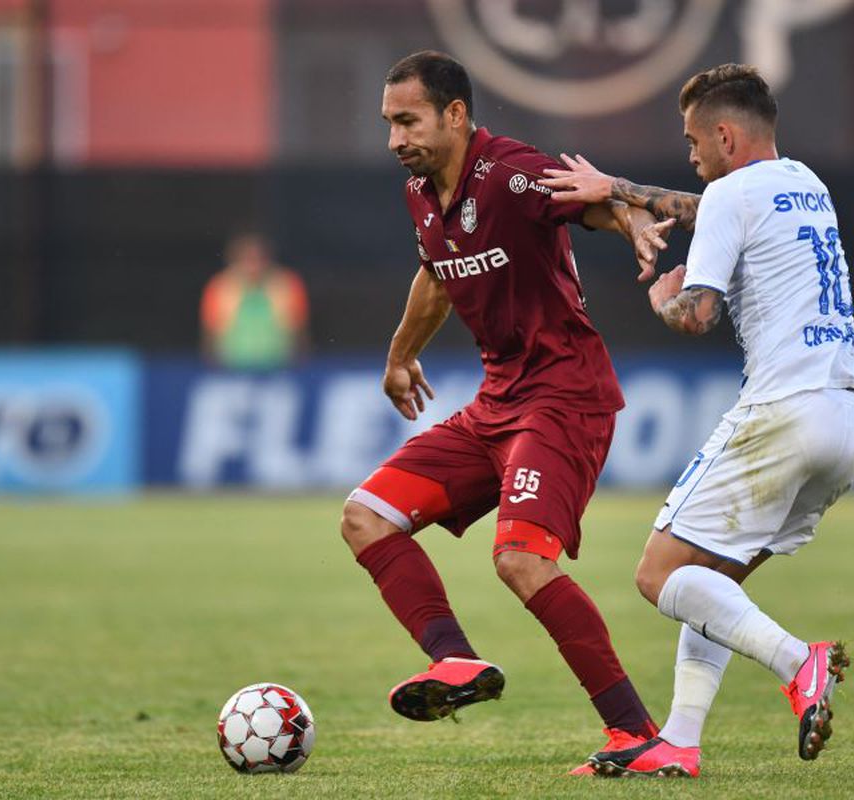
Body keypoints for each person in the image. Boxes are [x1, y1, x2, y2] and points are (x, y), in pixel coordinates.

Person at [539, 63, 854, 777]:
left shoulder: (731, 194)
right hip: (848, 417)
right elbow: (713, 207)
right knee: (711, 583)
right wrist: (620, 189)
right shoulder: (805, 184)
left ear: (725, 134)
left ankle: (799, 663)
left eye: (695, 142)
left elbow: (697, 314)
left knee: (660, 574)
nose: (690, 156)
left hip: (783, 409)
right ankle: (681, 742)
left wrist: (664, 297)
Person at [338, 51, 671, 773]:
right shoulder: (423, 193)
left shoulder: (510, 172)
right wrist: (400, 355)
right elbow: (436, 272)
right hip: (498, 403)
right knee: (365, 515)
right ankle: (455, 664)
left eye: (407, 121)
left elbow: (587, 201)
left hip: (564, 398)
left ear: (455, 115)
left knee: (520, 559)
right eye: (389, 124)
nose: (394, 139)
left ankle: (635, 733)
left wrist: (630, 223)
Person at [200, 232, 309, 370]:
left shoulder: (287, 284)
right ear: (234, 259)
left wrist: (298, 367)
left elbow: (300, 333)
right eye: (247, 258)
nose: (254, 265)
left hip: (278, 370)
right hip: (232, 371)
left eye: (258, 258)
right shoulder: (220, 287)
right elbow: (210, 336)